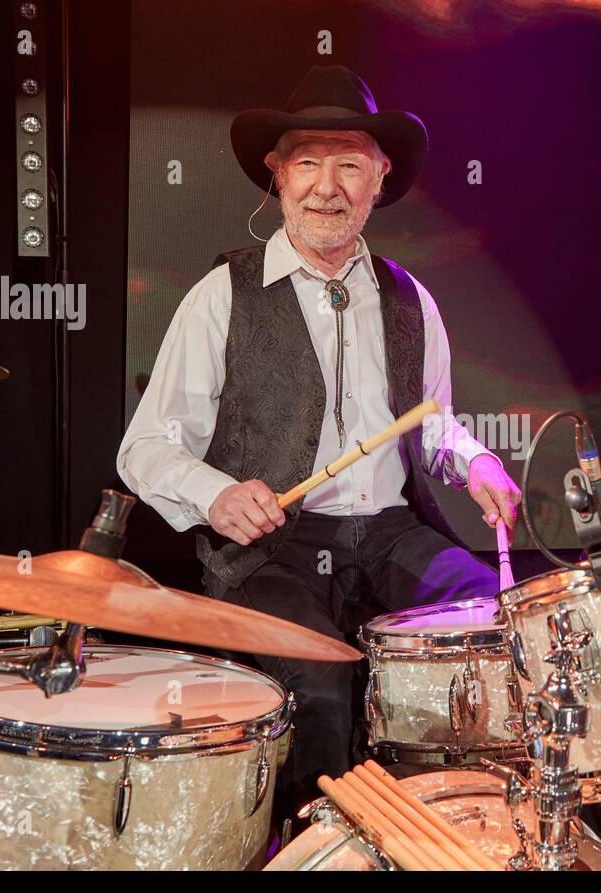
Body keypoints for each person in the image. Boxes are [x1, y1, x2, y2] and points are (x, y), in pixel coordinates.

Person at [117, 65, 521, 819]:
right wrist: (219, 494)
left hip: (394, 534)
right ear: (276, 174)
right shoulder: (223, 296)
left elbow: (430, 422)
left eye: (348, 162)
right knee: (322, 685)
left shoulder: (409, 297)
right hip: (278, 549)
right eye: (307, 161)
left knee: (498, 631)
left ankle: (461, 836)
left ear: (379, 176)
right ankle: (318, 850)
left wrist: (477, 459)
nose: (326, 186)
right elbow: (146, 447)